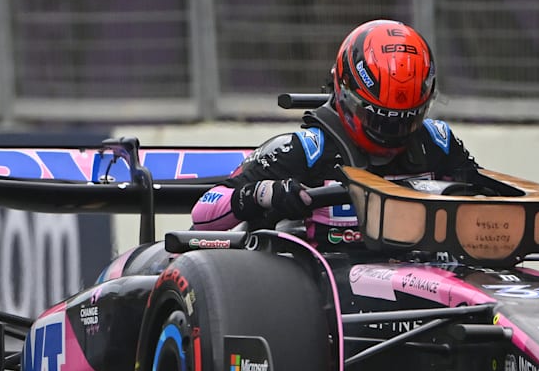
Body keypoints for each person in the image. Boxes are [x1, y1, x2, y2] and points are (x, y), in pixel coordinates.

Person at [190, 19, 481, 237]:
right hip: (316, 298)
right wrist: (262, 194)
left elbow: (491, 200)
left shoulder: (437, 143)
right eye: (378, 118)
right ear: (345, 93)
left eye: (406, 119)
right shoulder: (306, 150)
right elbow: (204, 212)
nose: (392, 131)